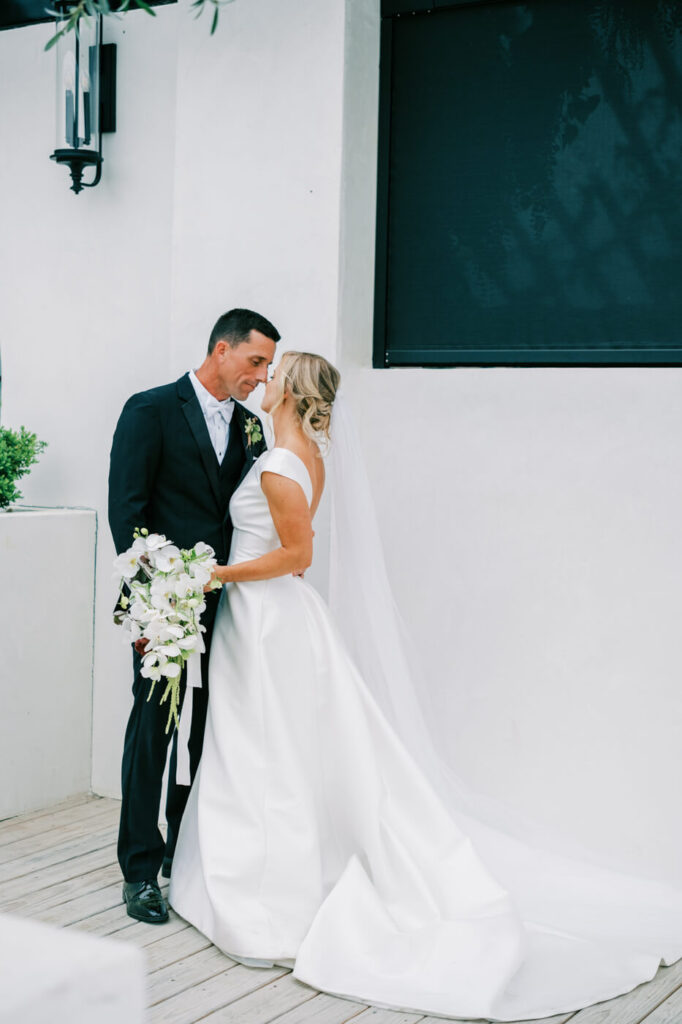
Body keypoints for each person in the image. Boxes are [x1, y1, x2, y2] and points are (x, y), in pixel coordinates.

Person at [168, 351, 682, 1019]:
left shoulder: (279, 468)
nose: (262, 383)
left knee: (268, 752)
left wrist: (215, 577)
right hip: (268, 619)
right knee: (263, 749)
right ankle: (245, 881)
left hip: (268, 622)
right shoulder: (301, 456)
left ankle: (266, 903)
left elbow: (299, 555)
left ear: (291, 392)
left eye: (274, 374)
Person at [108, 307, 279, 925]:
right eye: (255, 362)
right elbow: (127, 515)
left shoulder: (254, 428)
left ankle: (186, 850)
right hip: (164, 609)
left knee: (207, 733)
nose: (261, 378)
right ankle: (138, 869)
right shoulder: (149, 410)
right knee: (153, 732)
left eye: (266, 367)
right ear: (222, 350)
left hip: (229, 608)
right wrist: (156, 604)